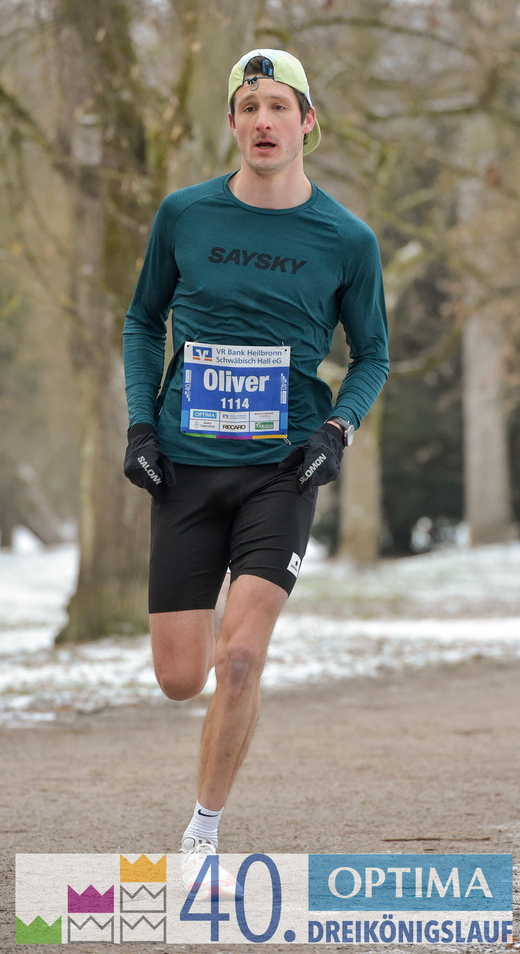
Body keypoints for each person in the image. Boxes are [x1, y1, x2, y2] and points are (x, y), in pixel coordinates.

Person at [122, 47, 389, 893]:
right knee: (178, 677)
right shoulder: (184, 214)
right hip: (186, 468)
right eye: (249, 108)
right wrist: (138, 425)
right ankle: (208, 723)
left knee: (240, 657)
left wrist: (337, 430)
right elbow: (141, 320)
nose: (264, 121)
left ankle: (202, 831)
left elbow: (374, 355)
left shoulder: (347, 238)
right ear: (233, 124)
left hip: (283, 468)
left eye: (280, 106)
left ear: (309, 122)